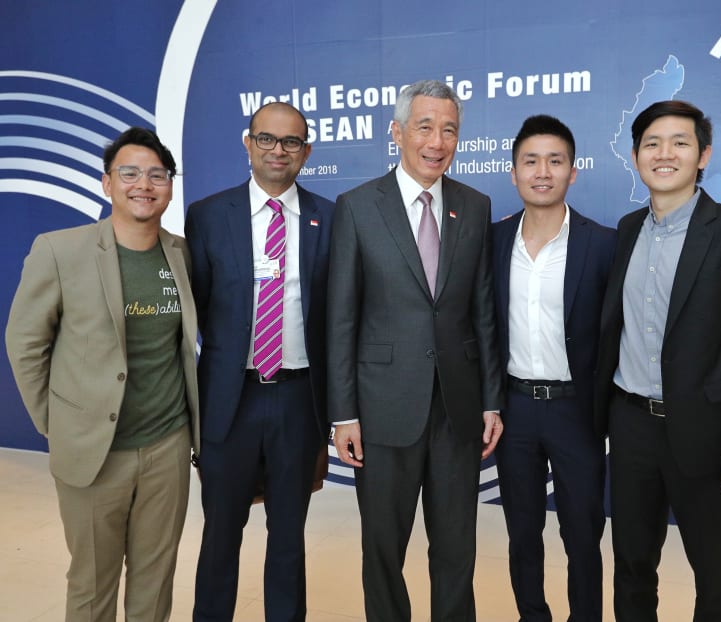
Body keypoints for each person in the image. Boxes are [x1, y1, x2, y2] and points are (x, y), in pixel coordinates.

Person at [595, 100, 721, 622]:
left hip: (708, 428)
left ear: (704, 155)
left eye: (680, 142)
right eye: (652, 144)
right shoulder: (626, 230)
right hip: (630, 426)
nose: (664, 153)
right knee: (631, 564)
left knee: (715, 571)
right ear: (635, 157)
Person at [5, 127, 199, 621]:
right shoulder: (60, 250)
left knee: (155, 581)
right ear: (106, 183)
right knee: (92, 583)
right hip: (94, 451)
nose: (144, 184)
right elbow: (25, 342)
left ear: (170, 187)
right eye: (129, 173)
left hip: (167, 446)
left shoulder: (180, 254)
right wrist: (56, 423)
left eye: (157, 175)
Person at [327, 79, 503, 622]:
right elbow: (341, 318)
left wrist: (491, 401)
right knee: (383, 548)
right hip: (381, 411)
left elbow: (483, 312)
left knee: (457, 549)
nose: (437, 140)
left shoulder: (474, 206)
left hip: (457, 409)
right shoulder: (357, 207)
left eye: (449, 129)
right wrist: (344, 413)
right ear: (397, 132)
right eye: (425, 127)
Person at [186, 102, 333, 621]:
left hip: (299, 399)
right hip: (230, 399)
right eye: (267, 139)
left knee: (288, 539)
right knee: (220, 537)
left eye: (291, 142)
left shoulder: (329, 218)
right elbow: (198, 306)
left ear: (306, 152)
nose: (278, 150)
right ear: (247, 144)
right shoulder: (207, 215)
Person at [492, 115, 614, 622]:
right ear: (514, 171)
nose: (542, 171)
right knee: (521, 532)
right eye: (530, 161)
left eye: (555, 161)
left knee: (583, 535)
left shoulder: (605, 244)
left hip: (577, 413)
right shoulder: (491, 242)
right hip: (514, 410)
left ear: (573, 171)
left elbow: (639, 320)